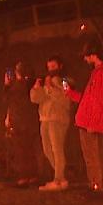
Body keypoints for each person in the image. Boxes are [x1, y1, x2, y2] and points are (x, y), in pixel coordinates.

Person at [66, 46, 103, 192]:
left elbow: (100, 100)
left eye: (86, 56)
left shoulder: (102, 74)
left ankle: (96, 184)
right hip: (86, 120)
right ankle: (93, 182)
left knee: (92, 154)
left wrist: (93, 121)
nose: (85, 59)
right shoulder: (98, 73)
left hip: (89, 121)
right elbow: (88, 99)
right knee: (89, 154)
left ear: (94, 55)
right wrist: (70, 93)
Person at [31, 56, 73, 191]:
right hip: (45, 118)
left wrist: (51, 87)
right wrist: (37, 88)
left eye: (53, 67)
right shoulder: (46, 82)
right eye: (49, 67)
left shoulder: (66, 80)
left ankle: (58, 179)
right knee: (47, 149)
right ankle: (61, 177)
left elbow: (67, 98)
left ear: (60, 66)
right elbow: (36, 99)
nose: (51, 70)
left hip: (58, 119)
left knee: (57, 148)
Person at [4, 61, 42, 187]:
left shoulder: (15, 87)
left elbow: (7, 99)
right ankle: (33, 175)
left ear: (17, 72)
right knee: (30, 149)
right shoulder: (30, 85)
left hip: (19, 122)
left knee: (20, 150)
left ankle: (24, 176)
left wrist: (6, 85)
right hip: (30, 121)